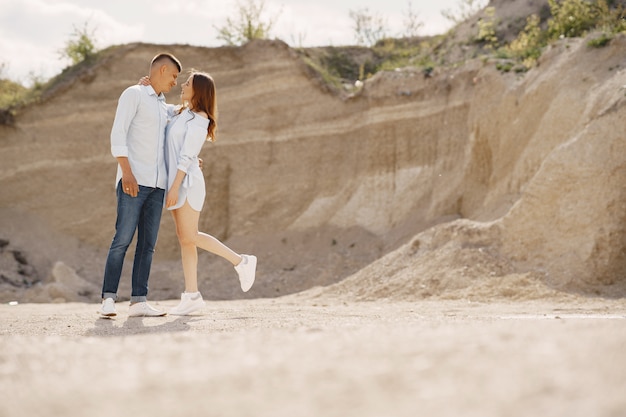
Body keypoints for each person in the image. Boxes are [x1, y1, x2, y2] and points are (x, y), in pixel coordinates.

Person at [159, 71, 256, 315]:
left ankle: (241, 261)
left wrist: (174, 187)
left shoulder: (200, 119)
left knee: (190, 235)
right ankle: (192, 296)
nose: (182, 85)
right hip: (178, 181)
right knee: (185, 239)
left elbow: (186, 157)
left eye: (188, 83)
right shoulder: (181, 112)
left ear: (198, 90)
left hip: (187, 183)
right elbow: (159, 108)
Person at [99, 53, 182, 318]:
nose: (175, 83)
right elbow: (118, 133)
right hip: (133, 182)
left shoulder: (161, 104)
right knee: (122, 240)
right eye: (174, 76)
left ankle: (138, 301)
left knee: (147, 245)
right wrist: (127, 173)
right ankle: (108, 299)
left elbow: (179, 123)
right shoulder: (133, 94)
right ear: (163, 69)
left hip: (157, 186)